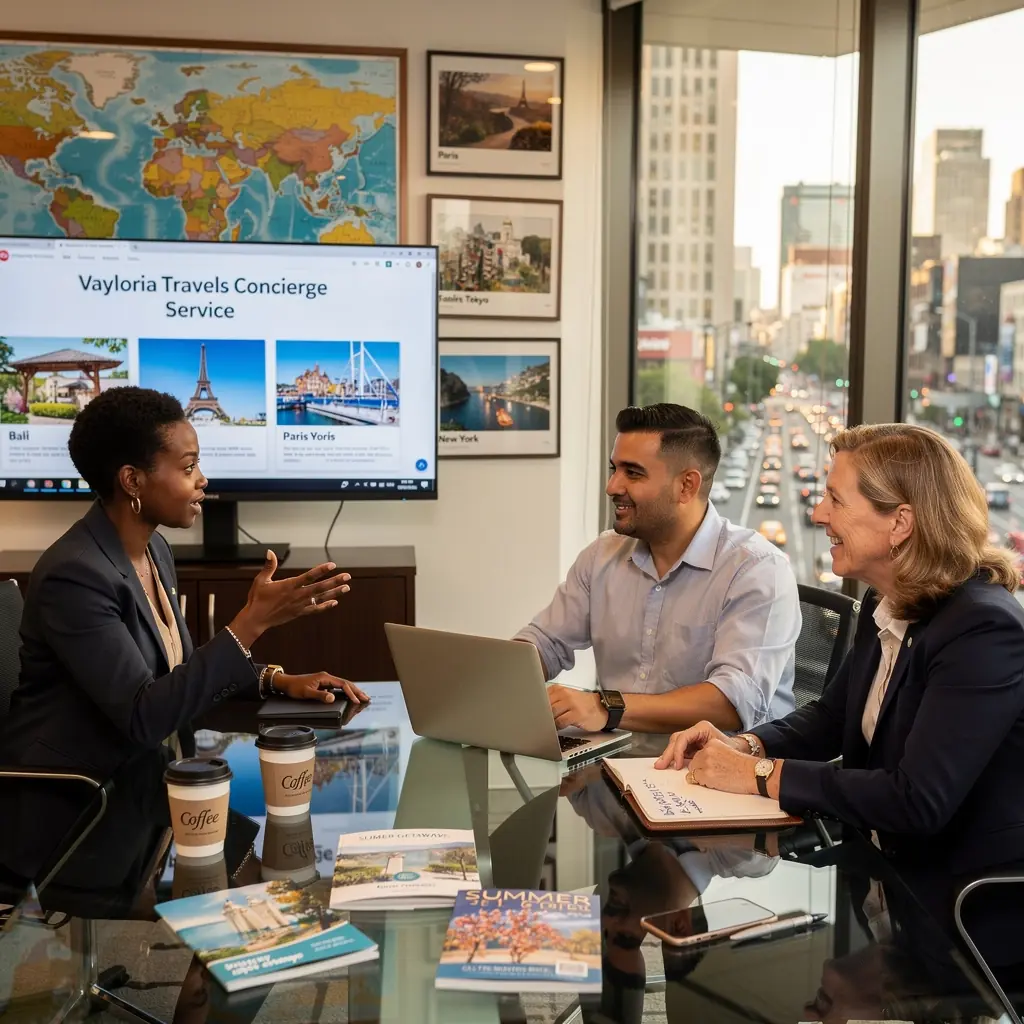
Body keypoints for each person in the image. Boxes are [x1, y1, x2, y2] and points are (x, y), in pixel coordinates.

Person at [0, 388, 367, 876]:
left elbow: (181, 679)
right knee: (274, 883)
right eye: (188, 466)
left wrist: (277, 682)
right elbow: (146, 715)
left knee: (280, 871)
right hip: (81, 812)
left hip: (149, 790)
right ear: (132, 480)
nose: (202, 480)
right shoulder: (76, 575)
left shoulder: (155, 553)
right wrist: (252, 621)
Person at [656, 423, 1024, 875]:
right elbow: (831, 718)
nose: (819, 514)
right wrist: (747, 745)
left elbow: (916, 801)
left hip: (950, 905)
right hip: (875, 871)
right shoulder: (888, 598)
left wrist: (759, 776)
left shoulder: (982, 629)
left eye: (836, 499)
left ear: (900, 523)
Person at [514, 403, 799, 735]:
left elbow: (731, 703)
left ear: (686, 486)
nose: (613, 486)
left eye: (632, 473)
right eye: (614, 469)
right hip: (618, 761)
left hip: (717, 773)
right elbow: (547, 642)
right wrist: (498, 673)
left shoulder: (756, 570)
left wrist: (605, 707)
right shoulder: (601, 556)